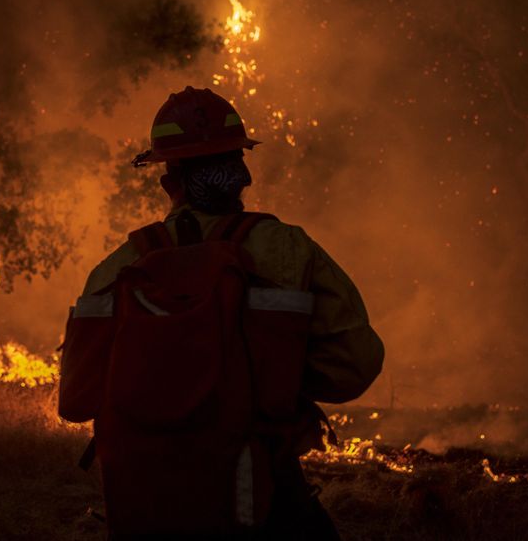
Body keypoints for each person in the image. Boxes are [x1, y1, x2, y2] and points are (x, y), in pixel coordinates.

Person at [58, 87, 384, 539]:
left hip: (144, 499)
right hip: (258, 489)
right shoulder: (288, 248)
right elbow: (356, 366)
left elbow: (76, 399)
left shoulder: (118, 268)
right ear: (242, 173)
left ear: (168, 179)